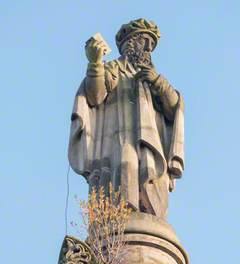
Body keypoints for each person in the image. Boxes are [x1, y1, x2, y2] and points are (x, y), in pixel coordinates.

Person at [68, 18, 184, 219]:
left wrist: (157, 82)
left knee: (152, 178)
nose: (148, 48)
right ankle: (121, 216)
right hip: (118, 142)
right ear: (129, 44)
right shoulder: (112, 69)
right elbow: (95, 95)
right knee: (125, 168)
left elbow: (174, 107)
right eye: (143, 41)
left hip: (151, 145)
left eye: (150, 44)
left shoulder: (153, 77)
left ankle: (147, 215)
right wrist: (95, 64)